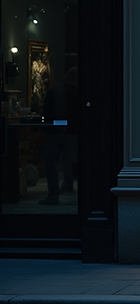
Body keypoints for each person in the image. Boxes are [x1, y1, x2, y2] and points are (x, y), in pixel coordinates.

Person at [39, 67, 79, 205]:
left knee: (51, 161)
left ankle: (53, 193)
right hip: (72, 131)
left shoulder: (55, 90)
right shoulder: (76, 92)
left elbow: (47, 109)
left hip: (54, 130)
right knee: (68, 160)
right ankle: (68, 184)